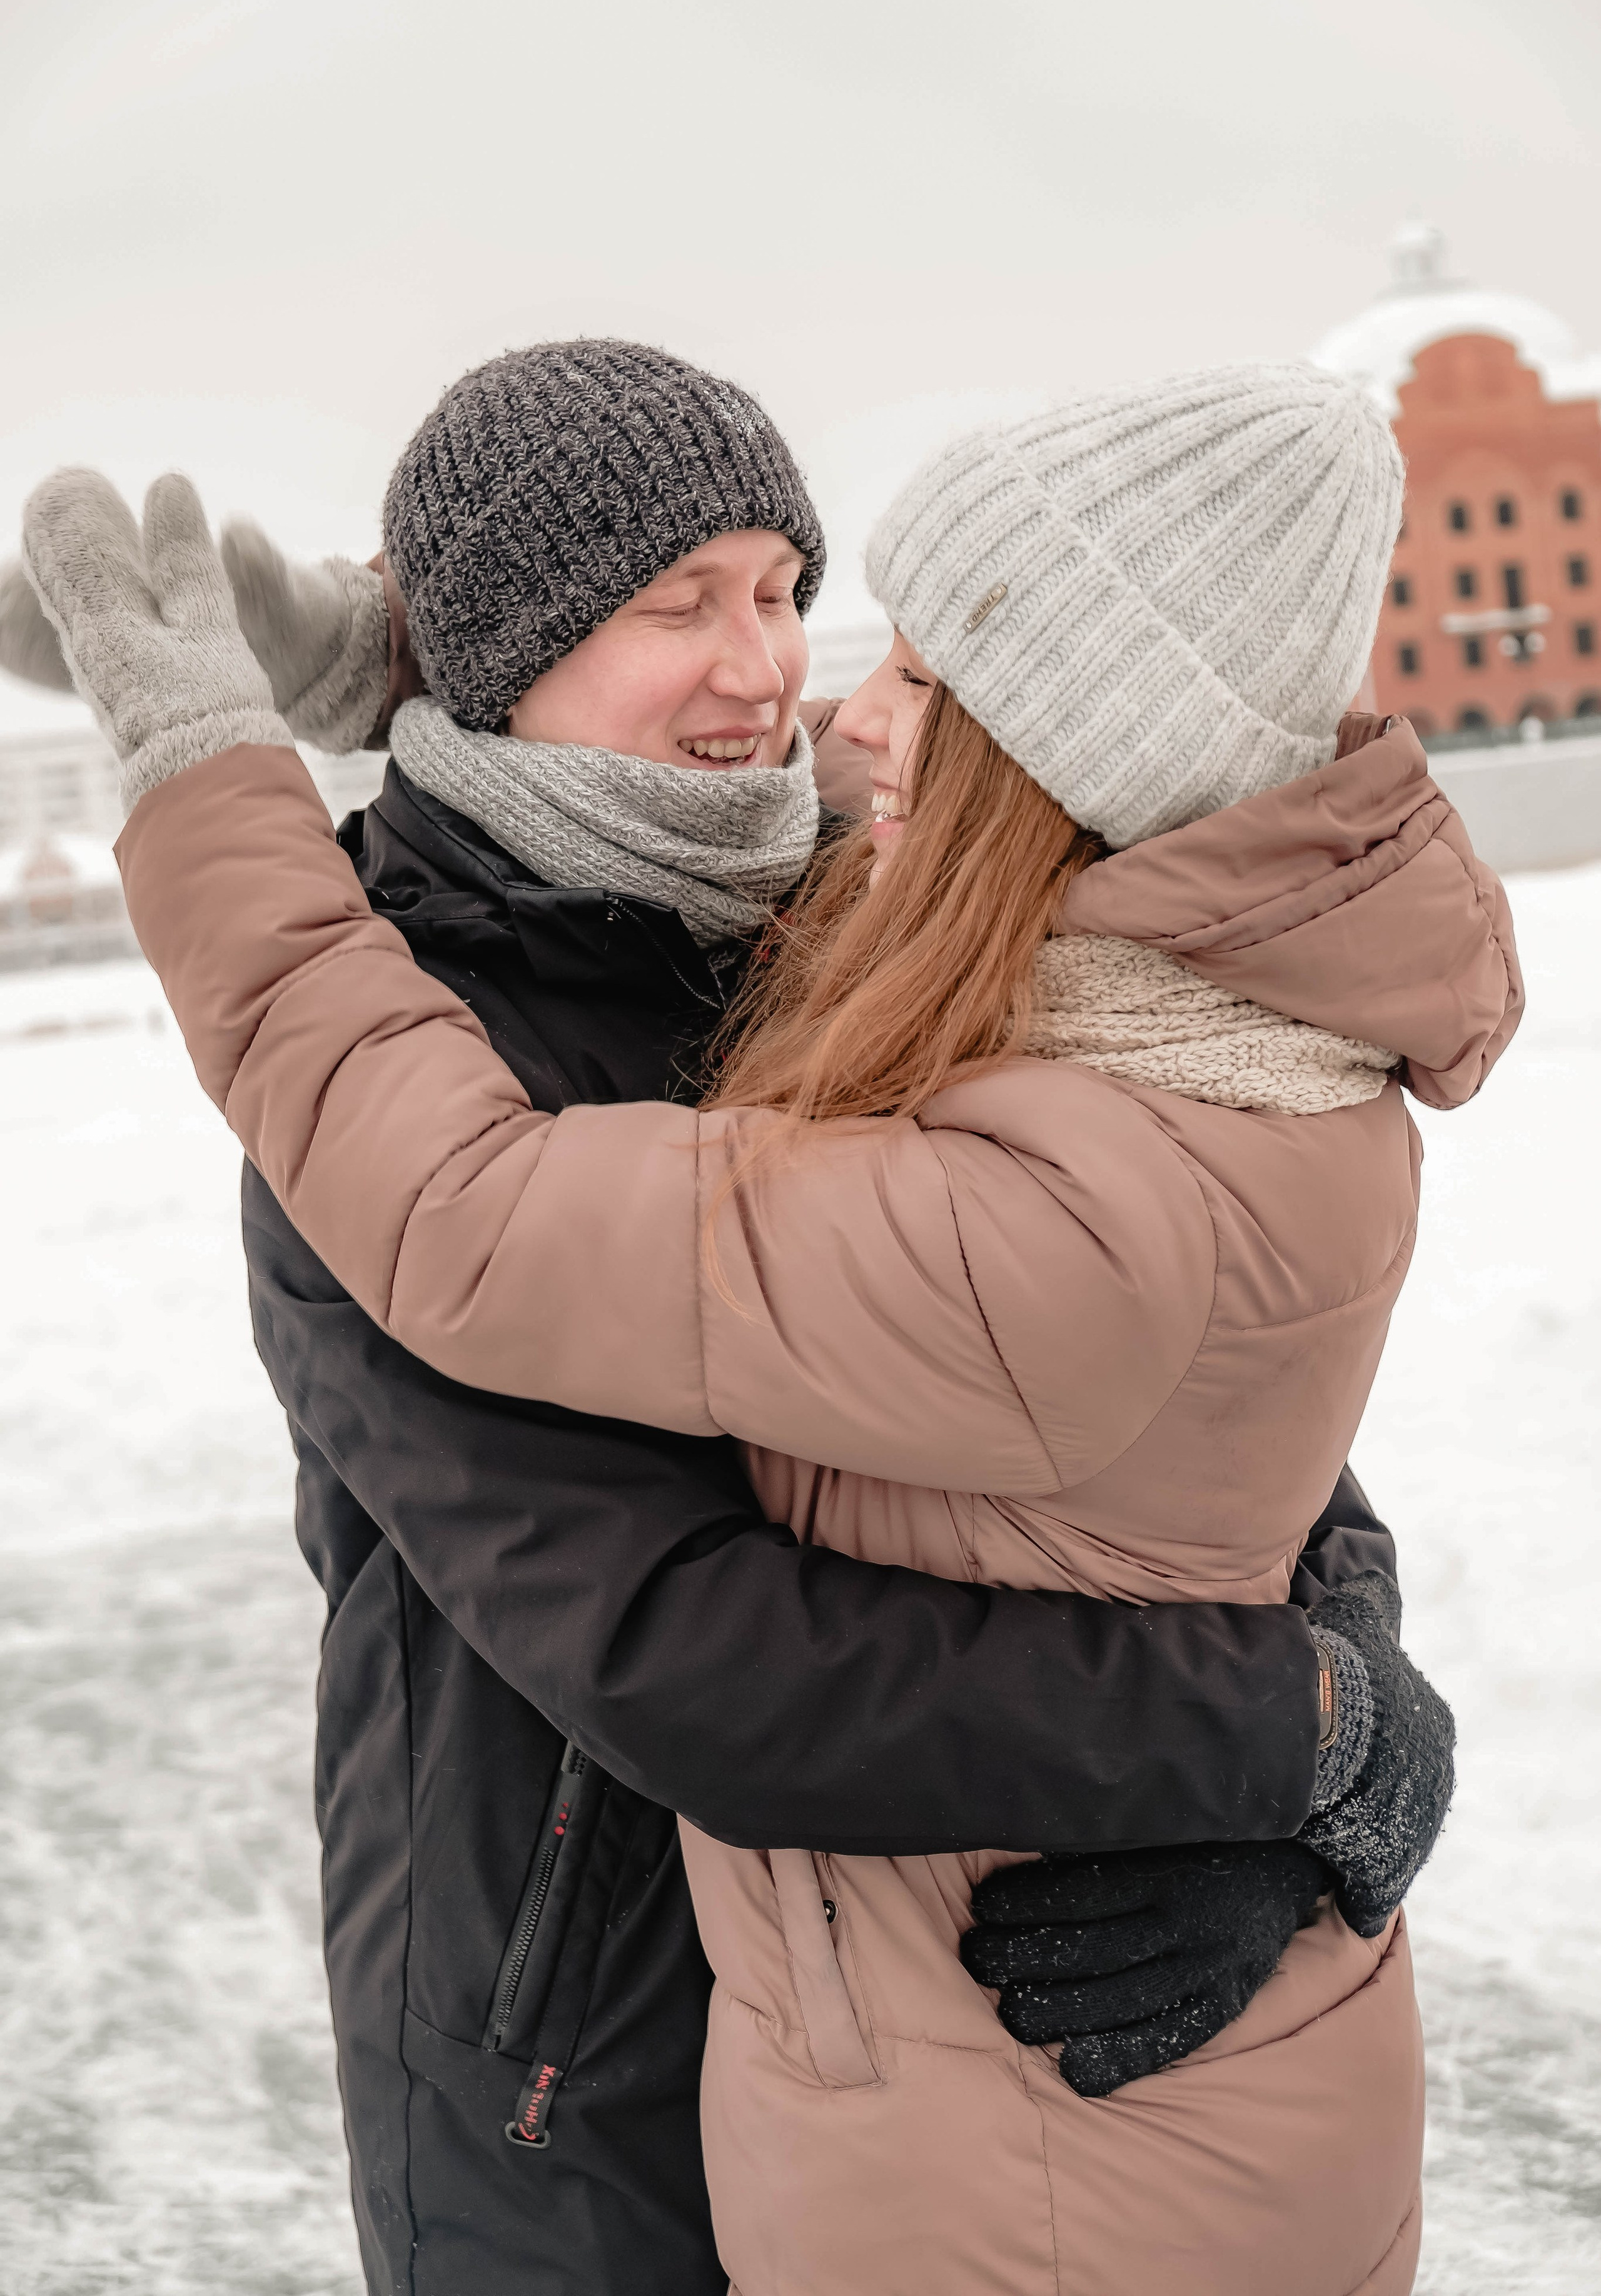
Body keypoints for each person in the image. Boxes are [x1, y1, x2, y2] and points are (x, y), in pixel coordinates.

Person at [20, 351, 1506, 2295]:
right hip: (579, 2085)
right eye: (676, 606)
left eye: (783, 594)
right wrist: (1278, 1733)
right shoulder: (381, 1084)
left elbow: (1198, 1411)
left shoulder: (849, 947)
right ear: (498, 658)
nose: (768, 670)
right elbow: (684, 1651)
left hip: (941, 2042)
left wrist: (1333, 1691)